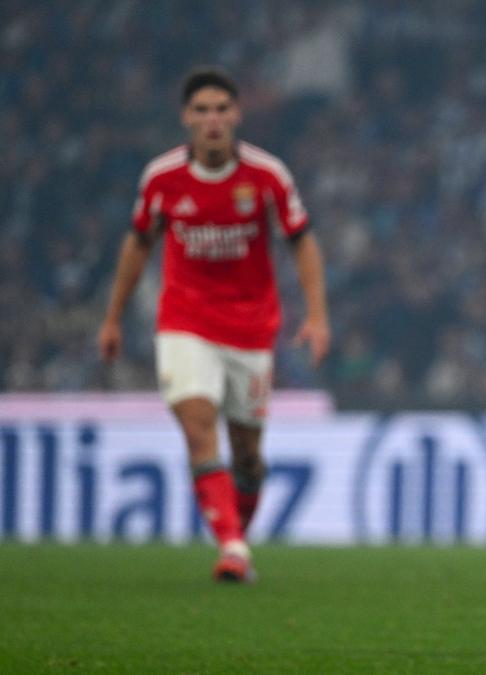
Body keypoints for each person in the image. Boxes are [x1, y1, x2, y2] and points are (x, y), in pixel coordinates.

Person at [97, 68, 330, 583]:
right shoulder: (161, 178)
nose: (212, 119)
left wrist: (316, 315)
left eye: (222, 109)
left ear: (236, 115)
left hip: (251, 328)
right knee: (199, 429)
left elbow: (302, 240)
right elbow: (138, 243)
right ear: (186, 117)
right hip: (185, 321)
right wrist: (112, 318)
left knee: (248, 457)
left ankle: (235, 537)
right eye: (202, 110)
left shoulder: (267, 175)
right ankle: (232, 547)